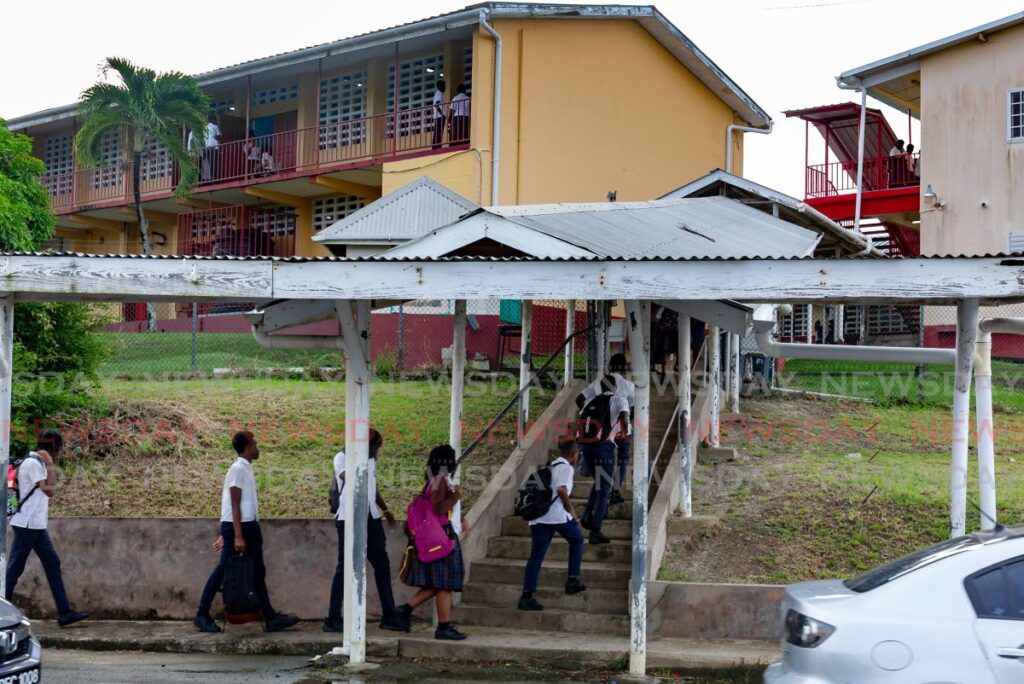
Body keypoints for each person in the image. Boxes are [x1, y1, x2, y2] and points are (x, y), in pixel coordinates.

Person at [194, 430, 299, 633]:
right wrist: (236, 534)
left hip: (247, 525)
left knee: (258, 571)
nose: (257, 447)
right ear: (248, 447)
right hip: (241, 528)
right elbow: (234, 502)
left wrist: (235, 531)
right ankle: (201, 615)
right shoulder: (237, 470)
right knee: (223, 570)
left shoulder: (245, 469)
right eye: (255, 444)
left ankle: (270, 617)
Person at [324, 428, 407, 633]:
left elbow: (372, 486)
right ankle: (333, 618)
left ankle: (389, 613)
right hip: (349, 516)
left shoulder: (370, 459)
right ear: (364, 446)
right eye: (375, 447)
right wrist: (360, 457)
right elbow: (350, 480)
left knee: (382, 564)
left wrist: (384, 508)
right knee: (345, 567)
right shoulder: (342, 457)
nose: (377, 452)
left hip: (371, 517)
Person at [5, 430, 88, 627]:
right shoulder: (33, 464)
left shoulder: (34, 462)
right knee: (15, 569)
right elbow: (49, 491)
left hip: (36, 525)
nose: (59, 452)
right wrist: (50, 463)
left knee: (52, 563)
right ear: (53, 447)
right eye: (58, 448)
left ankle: (64, 612)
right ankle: (2, 610)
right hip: (27, 524)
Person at [393, 445, 467, 641]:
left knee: (441, 584)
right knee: (444, 584)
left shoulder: (434, 480)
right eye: (452, 459)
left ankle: (405, 610)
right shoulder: (439, 481)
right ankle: (442, 627)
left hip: (438, 537)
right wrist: (456, 496)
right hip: (442, 539)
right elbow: (437, 507)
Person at [518, 437, 586, 611]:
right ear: (573, 454)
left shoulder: (549, 466)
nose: (578, 457)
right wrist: (571, 510)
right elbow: (562, 489)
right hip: (556, 516)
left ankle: (526, 596)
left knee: (536, 557)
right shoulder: (566, 468)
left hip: (539, 518)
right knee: (577, 539)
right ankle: (572, 580)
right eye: (578, 454)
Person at [576, 377, 630, 545]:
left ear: (599, 387)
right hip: (604, 448)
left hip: (585, 447)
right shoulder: (619, 399)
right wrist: (624, 432)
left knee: (599, 481)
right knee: (604, 488)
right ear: (615, 386)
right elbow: (625, 417)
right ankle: (595, 530)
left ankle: (587, 515)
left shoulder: (591, 400)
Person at [578, 353, 634, 506]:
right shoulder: (629, 386)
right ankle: (615, 491)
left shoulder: (598, 383)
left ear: (610, 365)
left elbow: (579, 398)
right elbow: (633, 409)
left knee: (602, 464)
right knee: (623, 459)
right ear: (624, 367)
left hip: (600, 432)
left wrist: (586, 413)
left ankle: (601, 490)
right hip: (622, 430)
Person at [431, 79, 447, 149]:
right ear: (440, 86)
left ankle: (436, 146)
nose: (444, 88)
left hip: (438, 117)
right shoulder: (439, 94)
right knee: (438, 132)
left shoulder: (438, 94)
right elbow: (436, 104)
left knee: (438, 132)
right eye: (444, 86)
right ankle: (437, 147)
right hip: (439, 117)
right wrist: (442, 114)